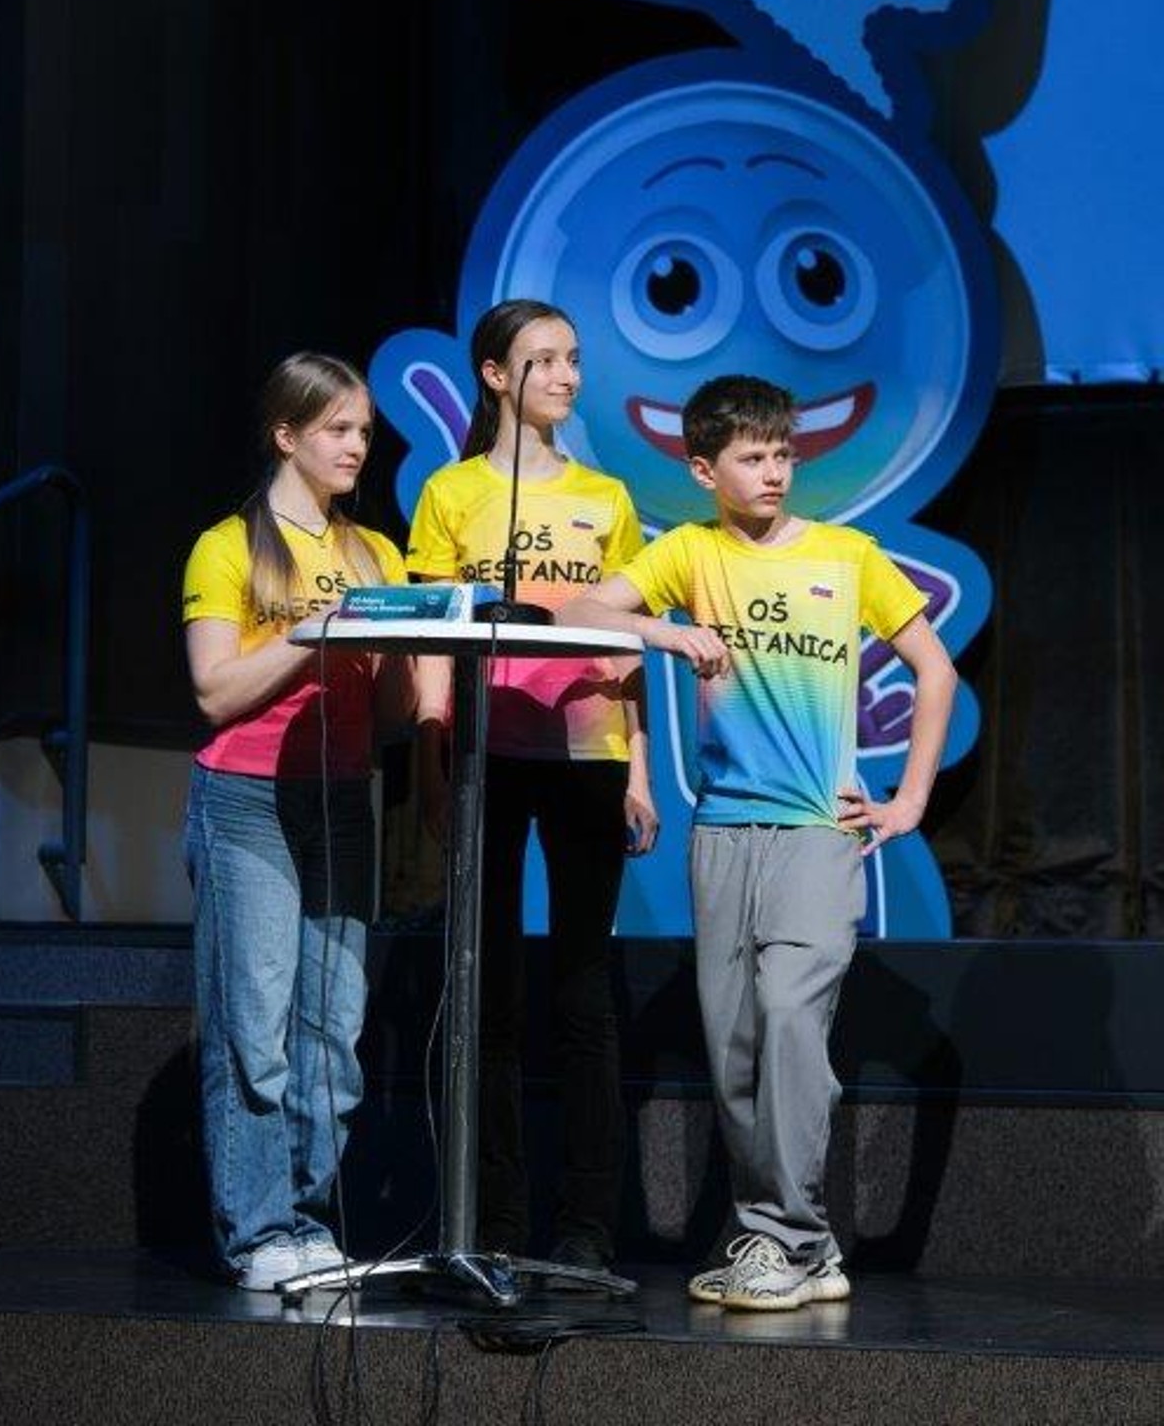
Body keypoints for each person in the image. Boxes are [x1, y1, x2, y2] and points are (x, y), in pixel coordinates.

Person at [558, 373, 957, 1311]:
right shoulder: (690, 552)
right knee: (735, 1046)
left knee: (788, 1020)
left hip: (816, 832)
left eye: (783, 454)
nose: (774, 471)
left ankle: (782, 1236)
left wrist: (909, 799)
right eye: (752, 456)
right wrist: (665, 634)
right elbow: (576, 614)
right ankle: (798, 1244)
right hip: (724, 832)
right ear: (705, 470)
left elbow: (933, 668)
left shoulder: (847, 555)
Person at [407, 298, 657, 1277]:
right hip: (488, 756)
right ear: (495, 374)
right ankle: (495, 1217)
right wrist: (433, 758)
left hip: (589, 752)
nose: (565, 376)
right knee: (491, 990)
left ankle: (587, 1222)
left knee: (584, 990)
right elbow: (431, 638)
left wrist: (640, 769)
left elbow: (626, 643)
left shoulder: (607, 497)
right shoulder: (451, 492)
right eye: (544, 359)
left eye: (573, 359)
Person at [182, 351, 413, 1291]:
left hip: (343, 794)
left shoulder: (376, 552)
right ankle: (257, 1230)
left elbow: (393, 714)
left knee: (334, 1027)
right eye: (337, 429)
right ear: (287, 434)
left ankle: (308, 1219)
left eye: (364, 431)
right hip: (247, 799)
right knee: (255, 1025)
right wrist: (310, 635)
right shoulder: (227, 545)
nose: (357, 446)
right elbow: (212, 689)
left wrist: (409, 647)